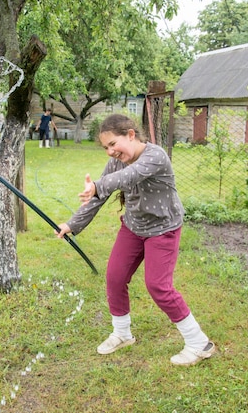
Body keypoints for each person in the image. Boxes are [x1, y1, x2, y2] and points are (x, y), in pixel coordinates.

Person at [55, 114, 215, 366]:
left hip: (163, 229)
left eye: (112, 144)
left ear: (131, 134)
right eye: (105, 148)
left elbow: (129, 177)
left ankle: (199, 343)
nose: (109, 152)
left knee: (158, 286)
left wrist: (97, 185)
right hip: (133, 227)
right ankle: (122, 333)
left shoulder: (155, 156)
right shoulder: (116, 164)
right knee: (115, 277)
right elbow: (100, 197)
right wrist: (72, 224)